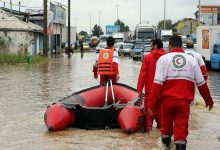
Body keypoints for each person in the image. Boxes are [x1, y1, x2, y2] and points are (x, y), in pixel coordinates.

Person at [148, 35, 213, 150]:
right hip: (184, 103)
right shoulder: (192, 60)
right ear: (181, 46)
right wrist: (209, 101)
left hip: (166, 103)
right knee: (181, 133)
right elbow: (201, 83)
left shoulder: (163, 59)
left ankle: (165, 146)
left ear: (169, 46)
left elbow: (157, 84)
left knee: (166, 130)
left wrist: (151, 105)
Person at [137, 38, 166, 131]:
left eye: (151, 45)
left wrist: (139, 90)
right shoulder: (167, 57)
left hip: (150, 93)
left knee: (148, 123)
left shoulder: (148, 57)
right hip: (163, 94)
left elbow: (143, 75)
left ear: (155, 46)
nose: (150, 47)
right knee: (162, 124)